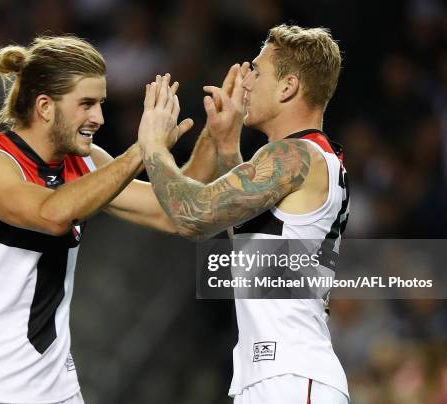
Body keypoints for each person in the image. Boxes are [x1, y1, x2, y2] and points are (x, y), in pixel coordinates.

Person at [0, 35, 212, 404]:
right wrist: (144, 149)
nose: (98, 118)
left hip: (57, 392)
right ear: (45, 106)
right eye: (86, 104)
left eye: (101, 104)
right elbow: (52, 214)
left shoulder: (87, 160)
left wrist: (218, 137)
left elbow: (173, 214)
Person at [138, 24, 350, 403]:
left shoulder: (293, 156)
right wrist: (226, 146)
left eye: (257, 69)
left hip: (291, 375)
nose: (245, 79)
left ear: (287, 87)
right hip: (276, 376)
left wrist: (153, 145)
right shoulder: (304, 159)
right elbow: (254, 250)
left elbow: (193, 214)